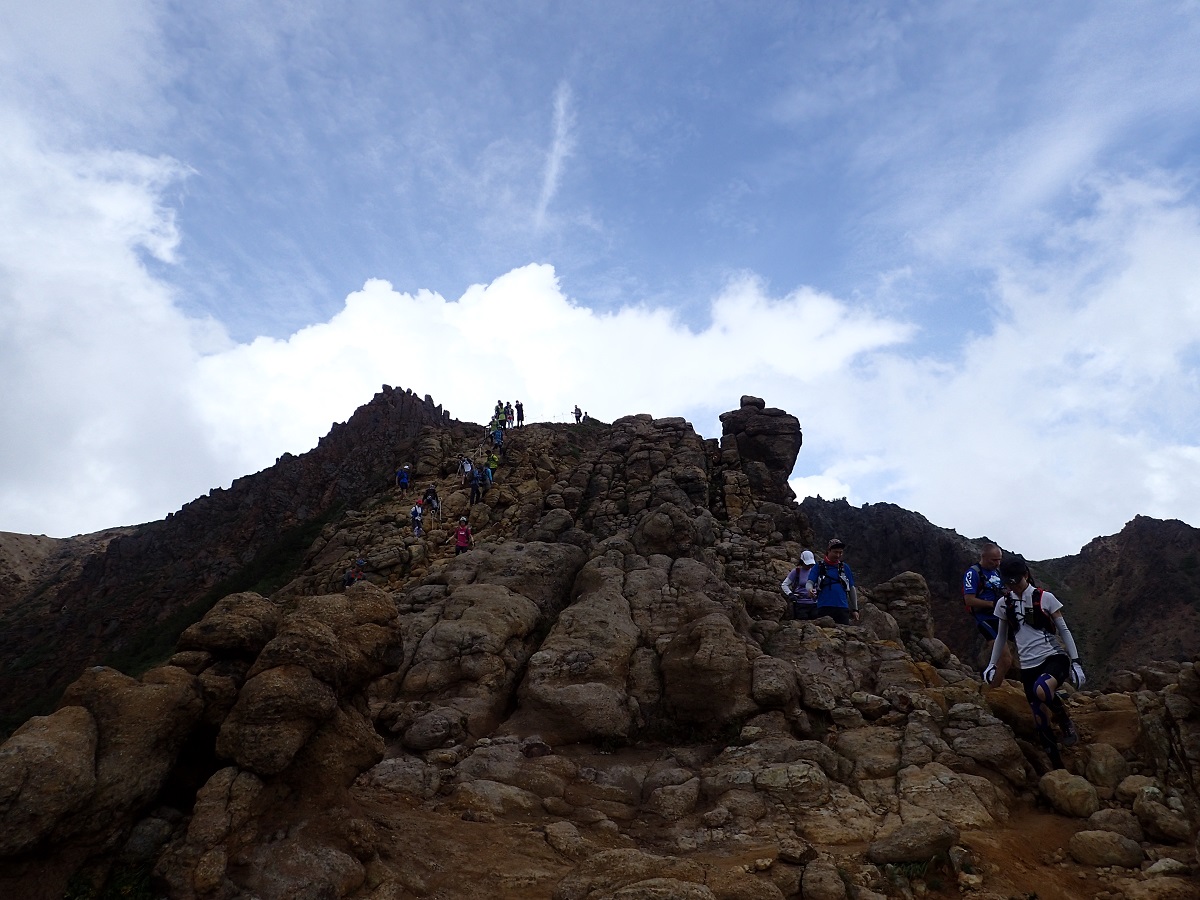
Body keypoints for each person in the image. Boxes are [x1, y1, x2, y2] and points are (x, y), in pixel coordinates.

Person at [984, 554, 1084, 769]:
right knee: (1039, 719)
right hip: (1028, 666)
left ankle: (1064, 718)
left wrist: (1076, 661)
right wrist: (992, 664)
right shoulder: (1004, 603)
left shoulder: (1045, 598)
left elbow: (1064, 630)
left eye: (1016, 582)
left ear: (1026, 575)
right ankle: (1057, 768)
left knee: (1042, 689)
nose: (1013, 587)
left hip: (1053, 658)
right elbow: (1001, 636)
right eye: (1009, 583)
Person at [964, 543, 1014, 678]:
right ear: (983, 556)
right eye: (994, 560)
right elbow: (969, 600)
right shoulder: (973, 573)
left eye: (999, 560)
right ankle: (992, 686)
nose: (997, 563)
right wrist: (993, 604)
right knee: (1005, 659)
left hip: (1003, 617)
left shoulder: (997, 572)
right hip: (986, 619)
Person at [805, 538, 860, 625]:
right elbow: (810, 582)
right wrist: (809, 589)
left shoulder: (845, 568)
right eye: (835, 552)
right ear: (829, 551)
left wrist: (855, 609)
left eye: (840, 552)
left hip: (842, 608)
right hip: (824, 607)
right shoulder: (818, 566)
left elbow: (851, 588)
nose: (838, 555)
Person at [781, 550, 819, 620]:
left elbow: (819, 585)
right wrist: (790, 594)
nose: (809, 566)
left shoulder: (814, 572)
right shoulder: (796, 572)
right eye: (807, 564)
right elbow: (784, 584)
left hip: (814, 604)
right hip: (800, 604)